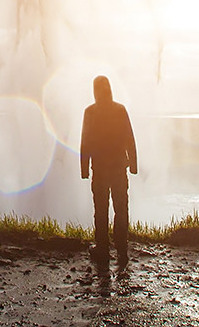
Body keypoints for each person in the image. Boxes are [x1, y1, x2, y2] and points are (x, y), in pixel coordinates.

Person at [79, 75, 137, 268]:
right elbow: (130, 138)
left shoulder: (90, 112)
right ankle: (121, 248)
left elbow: (85, 143)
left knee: (101, 209)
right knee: (121, 209)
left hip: (101, 170)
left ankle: (103, 248)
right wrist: (133, 164)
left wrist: (84, 169)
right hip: (119, 169)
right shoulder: (119, 110)